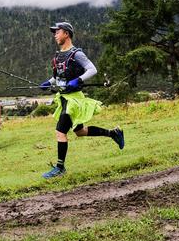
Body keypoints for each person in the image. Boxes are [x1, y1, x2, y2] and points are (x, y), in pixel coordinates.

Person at [39, 22, 124, 179]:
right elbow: (58, 76)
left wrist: (78, 79)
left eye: (57, 32)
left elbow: (92, 69)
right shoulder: (58, 56)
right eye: (54, 32)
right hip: (64, 98)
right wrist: (49, 83)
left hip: (74, 101)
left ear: (67, 33)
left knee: (60, 132)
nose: (55, 35)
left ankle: (60, 168)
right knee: (80, 131)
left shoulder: (76, 54)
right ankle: (114, 133)